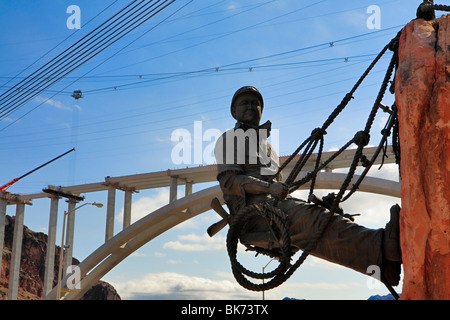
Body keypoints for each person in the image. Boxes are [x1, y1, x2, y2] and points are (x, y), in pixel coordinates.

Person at [214, 86, 402, 286]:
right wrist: (269, 189)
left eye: (255, 103)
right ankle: (384, 246)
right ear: (234, 112)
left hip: (273, 209)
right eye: (245, 103)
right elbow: (230, 182)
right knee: (314, 219)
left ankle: (382, 265)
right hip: (253, 217)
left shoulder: (268, 147)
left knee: (325, 217)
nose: (251, 106)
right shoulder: (229, 140)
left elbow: (278, 188)